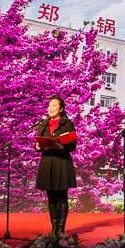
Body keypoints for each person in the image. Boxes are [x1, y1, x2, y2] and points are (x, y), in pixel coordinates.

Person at [35, 96, 77, 237]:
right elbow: (38, 143)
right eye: (49, 105)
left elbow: (72, 146)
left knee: (62, 197)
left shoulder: (67, 124)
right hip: (47, 162)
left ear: (61, 108)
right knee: (51, 197)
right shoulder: (43, 124)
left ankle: (61, 228)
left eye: (54, 105)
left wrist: (61, 146)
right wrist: (37, 146)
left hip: (61, 162)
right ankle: (54, 227)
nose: (50, 108)